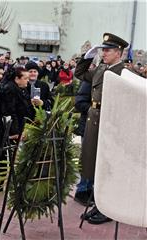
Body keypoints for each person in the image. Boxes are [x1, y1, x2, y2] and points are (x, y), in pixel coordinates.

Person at [75, 32, 128, 225]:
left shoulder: (125, 73)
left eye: (108, 50)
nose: (103, 53)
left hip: (111, 124)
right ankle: (98, 203)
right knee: (94, 164)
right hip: (94, 120)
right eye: (102, 50)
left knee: (108, 166)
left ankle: (107, 209)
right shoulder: (101, 69)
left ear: (119, 53)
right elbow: (79, 74)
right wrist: (86, 58)